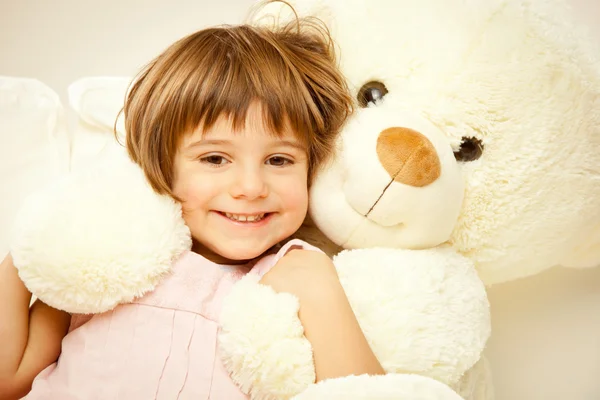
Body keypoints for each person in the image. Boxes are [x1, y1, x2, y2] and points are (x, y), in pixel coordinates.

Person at [0, 9, 384, 400]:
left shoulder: (299, 272)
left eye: (279, 160)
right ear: (162, 165)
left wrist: (317, 285)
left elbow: (364, 392)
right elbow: (9, 379)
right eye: (215, 159)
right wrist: (38, 241)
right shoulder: (108, 255)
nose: (251, 187)